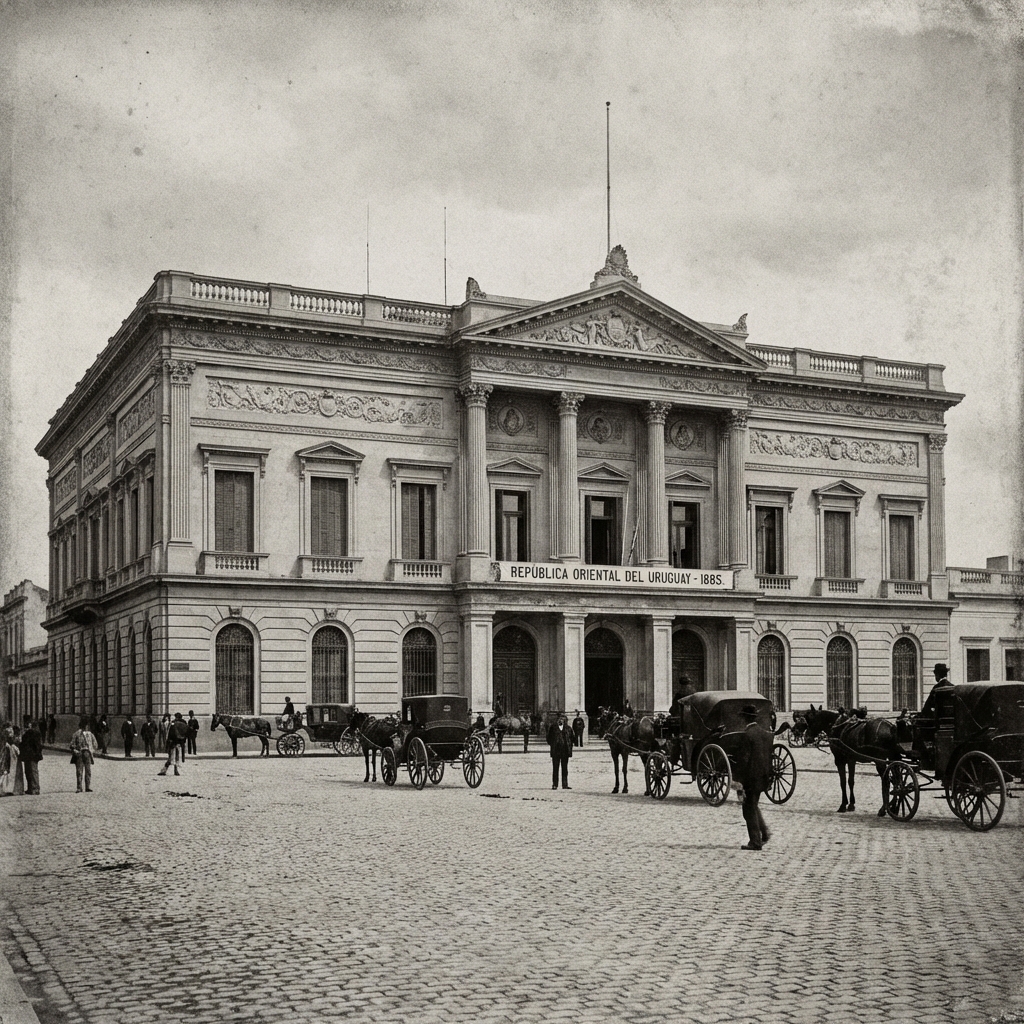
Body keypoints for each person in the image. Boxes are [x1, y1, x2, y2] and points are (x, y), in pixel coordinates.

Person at [733, 704, 774, 851]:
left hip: (751, 778)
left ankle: (755, 842)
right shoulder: (765, 734)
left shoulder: (747, 735)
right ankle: (765, 833)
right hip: (763, 777)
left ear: (744, 718)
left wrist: (738, 781)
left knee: (748, 809)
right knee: (754, 804)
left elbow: (744, 760)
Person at [69, 717, 97, 793]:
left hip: (84, 753)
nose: (86, 727)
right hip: (82, 753)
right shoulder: (79, 734)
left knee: (83, 771)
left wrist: (91, 750)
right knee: (83, 771)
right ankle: (83, 787)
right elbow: (71, 745)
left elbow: (95, 744)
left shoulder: (87, 734)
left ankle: (83, 787)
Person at [547, 713, 574, 790]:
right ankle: (555, 784)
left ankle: (565, 784)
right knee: (555, 768)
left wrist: (569, 745)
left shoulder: (568, 729)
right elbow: (549, 738)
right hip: (556, 751)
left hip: (565, 751)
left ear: (565, 720)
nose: (561, 720)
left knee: (565, 768)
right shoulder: (553, 728)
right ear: (557, 720)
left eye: (563, 719)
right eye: (560, 719)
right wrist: (553, 744)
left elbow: (572, 738)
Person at [18, 716, 43, 795]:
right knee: (28, 772)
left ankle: (36, 788)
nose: (26, 725)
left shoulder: (34, 733)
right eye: (25, 723)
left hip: (32, 756)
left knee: (33, 772)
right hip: (27, 756)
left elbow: (38, 745)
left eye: (28, 723)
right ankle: (30, 788)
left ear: (30, 724)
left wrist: (36, 754)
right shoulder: (27, 733)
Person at [0, 725, 18, 796]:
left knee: (3, 773)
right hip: (4, 757)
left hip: (3, 757)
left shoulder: (4, 741)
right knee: (3, 772)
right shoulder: (6, 743)